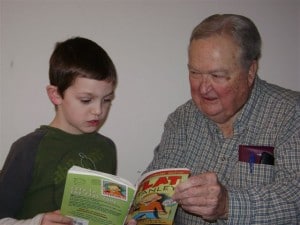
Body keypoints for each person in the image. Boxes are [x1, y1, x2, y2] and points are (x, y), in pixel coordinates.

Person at [128, 14, 300, 225]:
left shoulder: (291, 114)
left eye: (217, 76)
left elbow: (295, 197)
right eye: (195, 72)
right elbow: (158, 189)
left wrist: (228, 205)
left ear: (250, 71)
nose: (203, 88)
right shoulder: (181, 120)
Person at [0, 37, 118, 225]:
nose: (98, 110)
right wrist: (38, 222)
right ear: (56, 95)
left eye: (107, 99)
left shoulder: (107, 148)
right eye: (86, 100)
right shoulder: (28, 148)